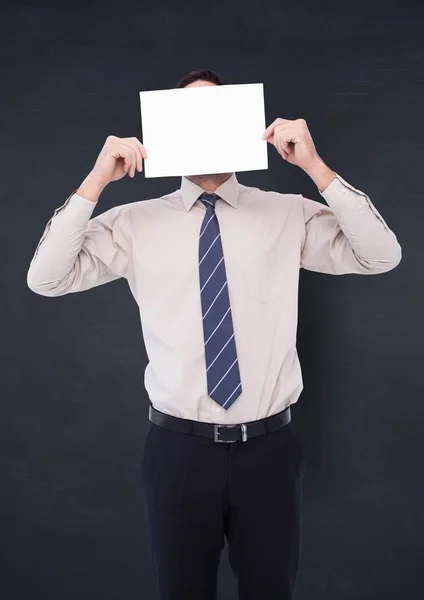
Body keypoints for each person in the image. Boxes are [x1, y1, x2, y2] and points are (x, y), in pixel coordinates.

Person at [26, 69, 402, 600]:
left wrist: (315, 168)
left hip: (268, 451)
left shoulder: (286, 213)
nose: (202, 130)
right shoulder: (133, 223)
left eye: (215, 115)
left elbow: (381, 255)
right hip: (178, 450)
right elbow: (45, 279)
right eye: (187, 118)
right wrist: (95, 182)